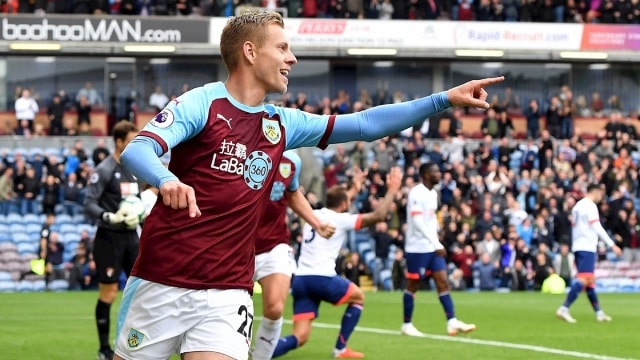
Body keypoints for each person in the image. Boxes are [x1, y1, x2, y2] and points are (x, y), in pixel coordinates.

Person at [115, 11, 503, 360]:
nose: (292, 58)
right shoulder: (203, 103)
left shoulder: (281, 124)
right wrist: (166, 179)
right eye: (282, 47)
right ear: (250, 52)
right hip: (162, 279)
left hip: (227, 289)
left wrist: (442, 100)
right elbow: (138, 150)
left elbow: (365, 125)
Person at [273, 167, 403, 359]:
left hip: (301, 280)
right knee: (358, 297)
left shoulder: (313, 216)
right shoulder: (341, 219)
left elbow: (341, 199)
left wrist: (354, 189)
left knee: (300, 337)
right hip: (322, 278)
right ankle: (340, 348)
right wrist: (392, 189)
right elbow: (378, 216)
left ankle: (261, 353)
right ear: (344, 204)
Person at [252, 149, 335, 360]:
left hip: (274, 243)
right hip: (236, 245)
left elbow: (292, 193)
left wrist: (316, 223)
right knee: (229, 307)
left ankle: (259, 357)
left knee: (275, 307)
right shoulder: (245, 147)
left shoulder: (292, 160)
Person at [83, 120, 143, 360]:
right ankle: (104, 349)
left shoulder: (135, 169)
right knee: (108, 294)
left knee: (141, 291)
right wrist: (108, 215)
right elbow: (88, 204)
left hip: (132, 238)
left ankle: (134, 346)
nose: (135, 145)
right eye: (131, 141)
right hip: (108, 238)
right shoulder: (105, 169)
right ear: (119, 142)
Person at [401, 162, 476, 337]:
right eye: (435, 171)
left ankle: (452, 321)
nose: (439, 173)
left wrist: (436, 238)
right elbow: (418, 223)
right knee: (413, 285)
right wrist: (435, 243)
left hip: (431, 245)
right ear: (425, 174)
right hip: (417, 247)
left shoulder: (434, 193)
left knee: (442, 280)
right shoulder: (416, 193)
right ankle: (406, 324)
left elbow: (431, 219)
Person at [556, 184, 622, 324]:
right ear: (596, 192)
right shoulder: (590, 206)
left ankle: (599, 312)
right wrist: (612, 245)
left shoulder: (577, 207)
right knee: (584, 279)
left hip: (578, 245)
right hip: (587, 246)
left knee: (589, 282)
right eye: (601, 194)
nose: (601, 197)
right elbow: (596, 226)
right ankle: (564, 308)